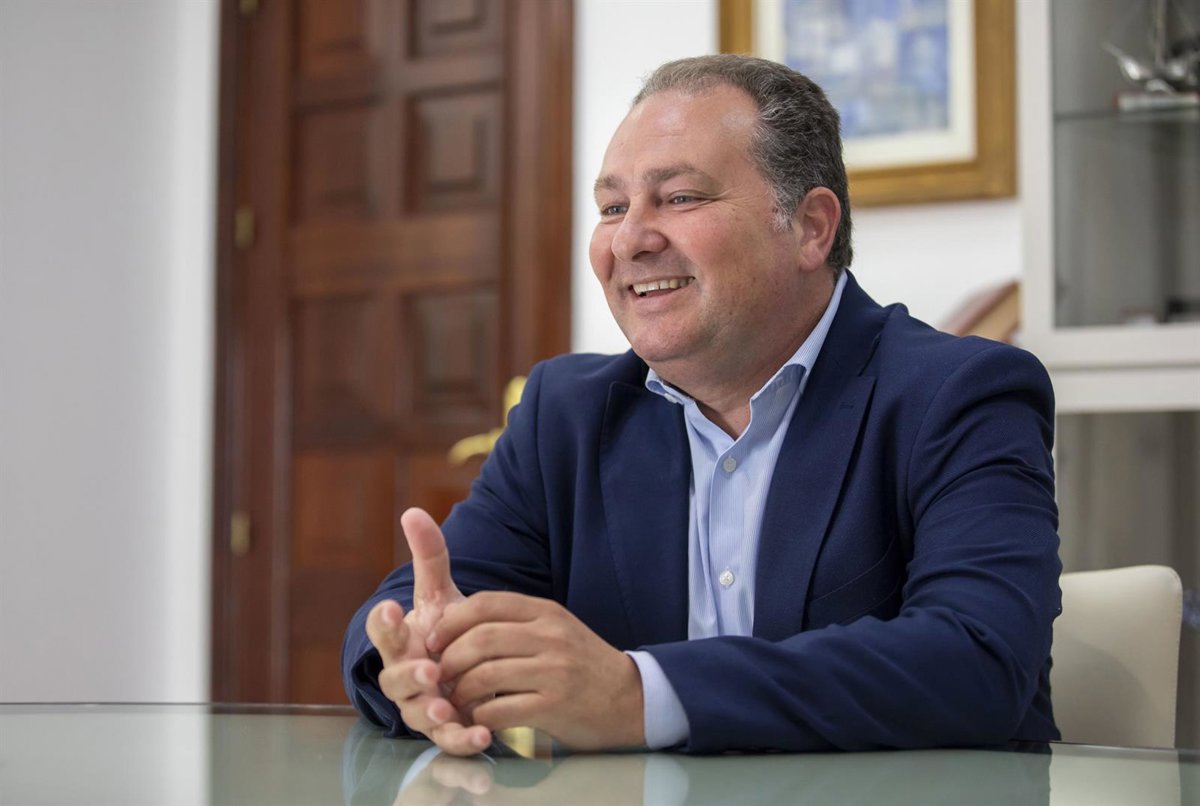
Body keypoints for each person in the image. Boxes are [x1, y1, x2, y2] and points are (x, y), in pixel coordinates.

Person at [342, 54, 1062, 755]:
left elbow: (981, 656)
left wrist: (640, 695)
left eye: (680, 198)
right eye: (613, 207)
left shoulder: (959, 394)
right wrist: (414, 663)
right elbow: (423, 601)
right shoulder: (565, 414)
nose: (630, 239)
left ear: (811, 227)